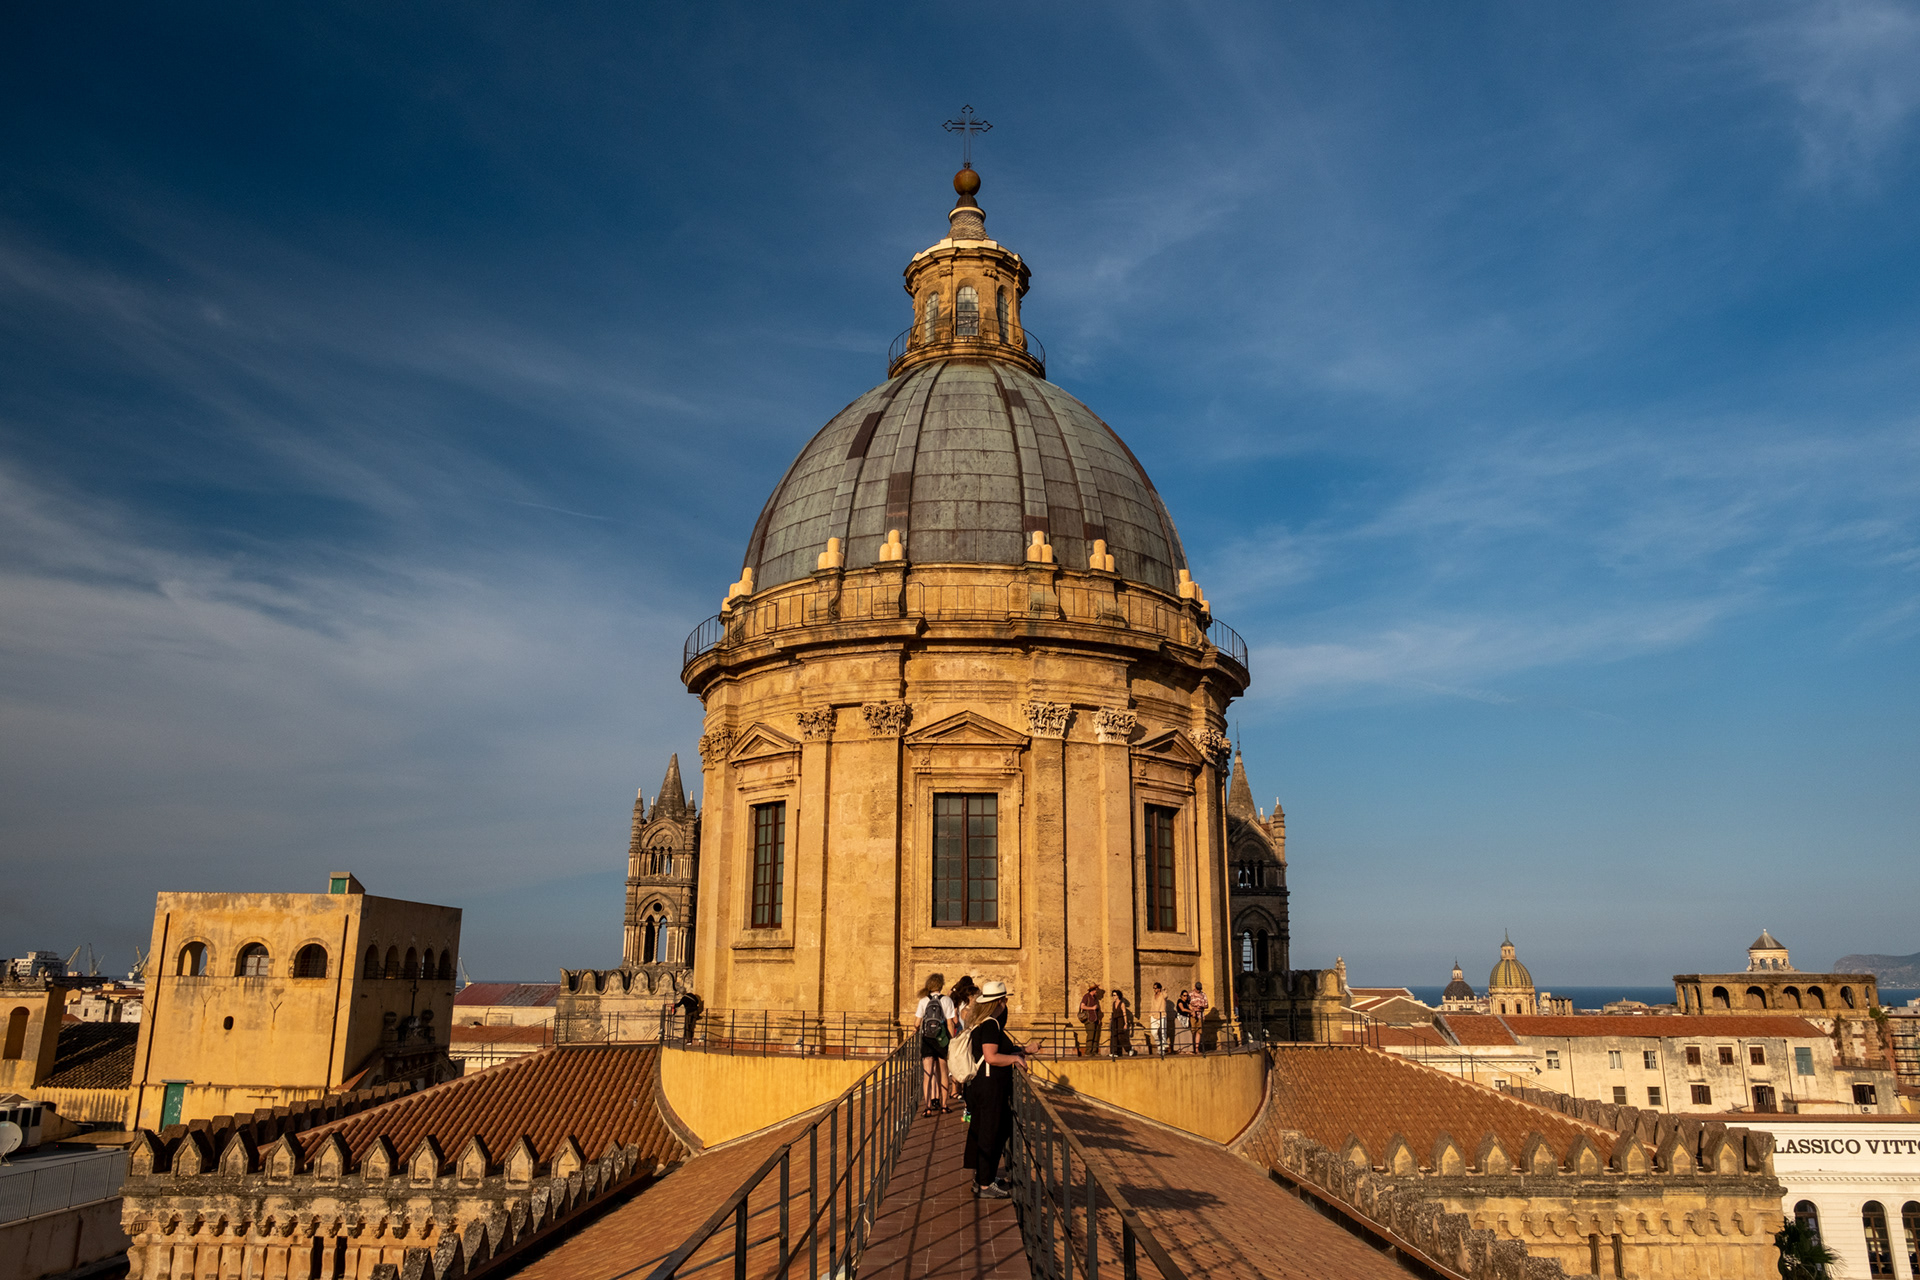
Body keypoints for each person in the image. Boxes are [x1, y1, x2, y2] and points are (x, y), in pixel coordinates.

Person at [960, 980, 1028, 1198]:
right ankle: (985, 1186)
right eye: (1005, 1000)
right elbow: (991, 1056)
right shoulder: (991, 1024)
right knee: (992, 1131)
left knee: (984, 1129)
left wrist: (1023, 1051)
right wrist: (1016, 1060)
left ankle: (982, 1178)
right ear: (1000, 1002)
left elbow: (999, 1050)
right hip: (989, 1087)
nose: (1006, 1004)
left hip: (980, 1086)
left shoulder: (982, 1022)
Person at [913, 973, 956, 1116]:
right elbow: (950, 1023)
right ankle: (944, 1106)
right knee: (943, 1073)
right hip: (941, 1039)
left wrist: (918, 1028)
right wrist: (951, 1041)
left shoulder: (923, 1001)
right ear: (941, 985)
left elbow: (917, 1023)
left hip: (927, 1040)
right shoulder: (947, 1000)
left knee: (927, 1074)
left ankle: (928, 1107)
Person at [1077, 983, 1103, 1057]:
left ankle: (1094, 1051)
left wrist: (1099, 1019)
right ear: (1093, 990)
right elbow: (1082, 1006)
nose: (1097, 991)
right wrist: (1092, 1008)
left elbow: (1097, 1009)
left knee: (1096, 1036)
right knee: (1090, 1036)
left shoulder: (1095, 998)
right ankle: (1088, 1052)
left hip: (1095, 1019)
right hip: (1089, 1019)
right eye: (1096, 989)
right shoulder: (1086, 996)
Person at [1149, 982, 1172, 1056]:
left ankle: (1162, 1049)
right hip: (1153, 1015)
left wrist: (1163, 990)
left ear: (1159, 988)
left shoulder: (1163, 995)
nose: (1154, 989)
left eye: (1156, 988)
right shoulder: (1153, 996)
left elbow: (1166, 996)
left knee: (1162, 1032)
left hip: (1161, 1015)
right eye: (1154, 988)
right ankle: (1159, 1044)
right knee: (1153, 1032)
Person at [1109, 989, 1133, 1056]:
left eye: (1114, 995)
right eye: (1112, 995)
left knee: (1120, 1036)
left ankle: (1129, 1049)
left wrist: (1125, 1023)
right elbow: (1113, 1012)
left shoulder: (1122, 1004)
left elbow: (1124, 1014)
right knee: (1114, 1036)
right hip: (1114, 1020)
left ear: (1118, 996)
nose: (1113, 997)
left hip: (1120, 1020)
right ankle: (1114, 1052)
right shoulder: (1113, 1004)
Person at [1189, 982, 1211, 1054]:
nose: (1198, 990)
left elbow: (1206, 1005)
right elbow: (1188, 1004)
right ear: (1194, 987)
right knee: (1192, 1031)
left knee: (1199, 1032)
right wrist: (1194, 1008)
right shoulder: (1190, 994)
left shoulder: (1203, 995)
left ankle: (1196, 1049)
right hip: (1193, 1015)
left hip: (1200, 1015)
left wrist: (1201, 1006)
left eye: (1199, 989)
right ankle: (1191, 1048)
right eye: (1197, 989)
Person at [1175, 988, 1193, 1053]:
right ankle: (1180, 1050)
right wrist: (1191, 1011)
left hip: (1186, 1019)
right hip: (1180, 1019)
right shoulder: (1179, 1001)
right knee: (1180, 1035)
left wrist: (1193, 1010)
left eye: (1187, 995)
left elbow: (1191, 1008)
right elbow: (1182, 1009)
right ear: (1181, 996)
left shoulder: (1187, 1002)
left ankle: (1188, 1050)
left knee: (1188, 1034)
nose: (1185, 997)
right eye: (1184, 995)